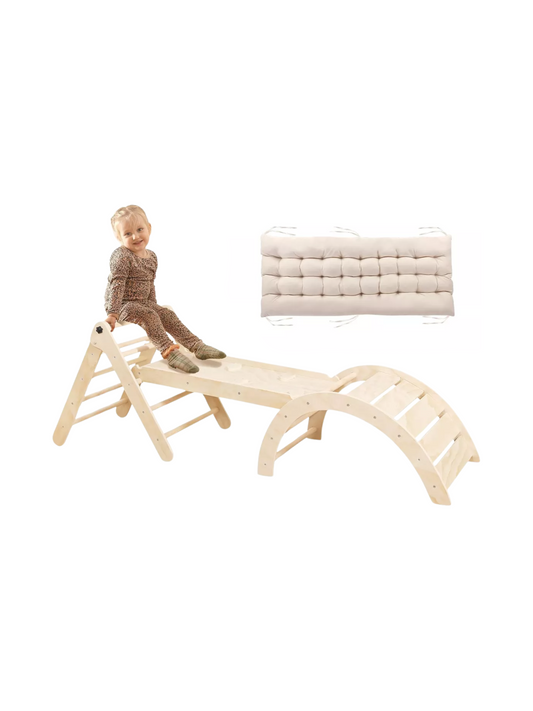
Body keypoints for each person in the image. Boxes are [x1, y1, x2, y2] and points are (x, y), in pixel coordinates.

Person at [104, 205, 226, 373]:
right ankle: (170, 353)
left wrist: (155, 306)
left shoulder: (152, 256)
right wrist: (112, 313)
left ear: (149, 228)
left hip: (143, 302)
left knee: (167, 314)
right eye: (127, 233)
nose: (135, 236)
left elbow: (150, 283)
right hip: (122, 304)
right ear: (119, 237)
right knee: (150, 315)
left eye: (140, 229)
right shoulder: (122, 256)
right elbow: (117, 285)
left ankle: (196, 345)